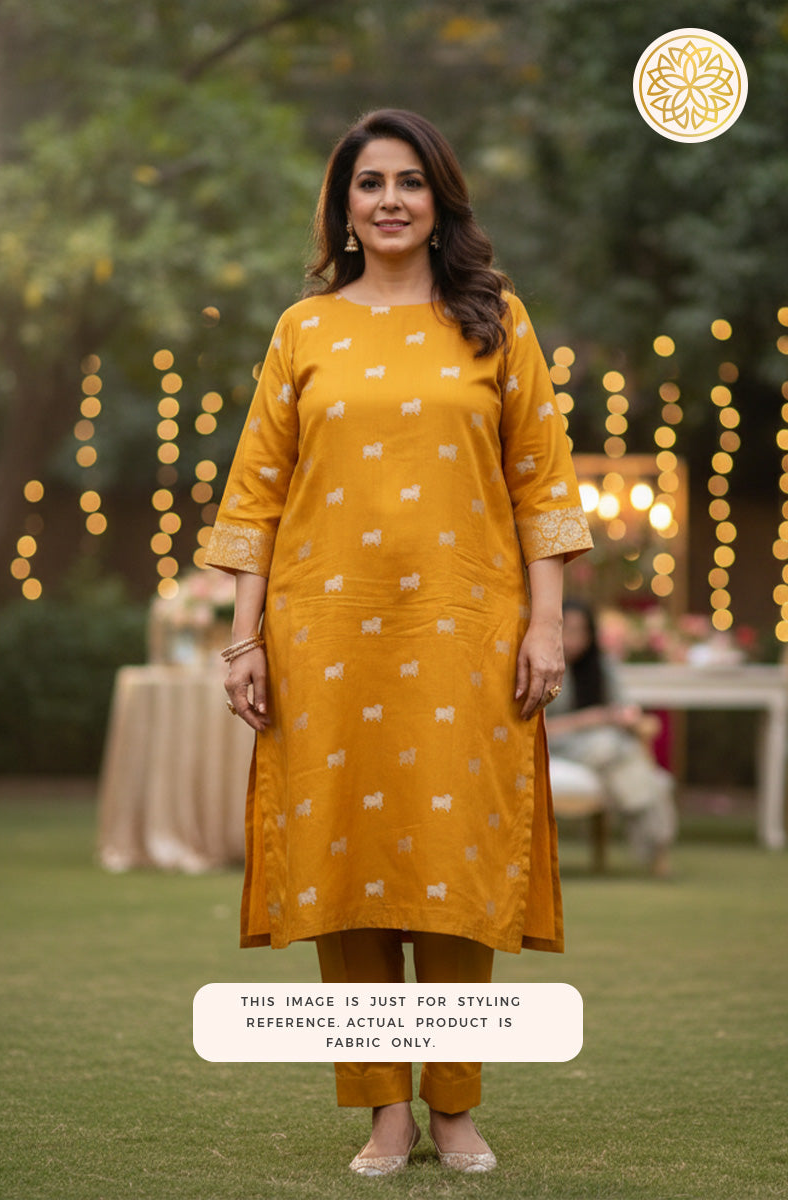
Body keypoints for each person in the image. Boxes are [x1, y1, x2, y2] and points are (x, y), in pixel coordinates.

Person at [204, 108, 593, 1176]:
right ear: (342, 206)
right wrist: (244, 640)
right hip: (322, 633)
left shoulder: (494, 321)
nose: (387, 199)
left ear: (439, 200)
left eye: (408, 181)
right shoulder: (303, 329)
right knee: (348, 870)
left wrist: (545, 627)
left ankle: (455, 1108)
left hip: (463, 635)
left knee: (456, 867)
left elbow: (542, 491)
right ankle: (383, 1112)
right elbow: (255, 495)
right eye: (367, 182)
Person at [546, 599, 678, 876]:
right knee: (611, 745)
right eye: (566, 629)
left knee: (617, 748)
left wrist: (625, 715)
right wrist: (590, 719)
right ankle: (653, 838)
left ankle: (651, 834)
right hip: (555, 746)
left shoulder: (600, 666)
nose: (573, 638)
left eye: (580, 631)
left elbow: (625, 706)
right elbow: (538, 728)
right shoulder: (545, 666)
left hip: (605, 751)